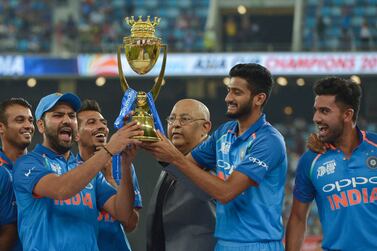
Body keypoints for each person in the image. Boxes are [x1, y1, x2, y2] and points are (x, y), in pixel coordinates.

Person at [143, 63, 288, 250]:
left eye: (237, 92)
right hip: (223, 243)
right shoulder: (224, 132)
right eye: (229, 90)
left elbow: (226, 193)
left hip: (257, 244)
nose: (228, 98)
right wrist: (150, 140)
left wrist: (173, 157)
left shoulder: (268, 140)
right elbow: (183, 168)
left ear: (259, 98)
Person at [13, 92, 143, 250]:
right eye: (58, 115)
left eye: (71, 115)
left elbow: (123, 213)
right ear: (41, 125)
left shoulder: (87, 171)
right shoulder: (27, 163)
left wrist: (126, 164)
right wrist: (109, 149)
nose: (66, 120)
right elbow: (61, 189)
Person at [286, 77, 377, 251]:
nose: (316, 118)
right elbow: (298, 217)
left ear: (347, 115)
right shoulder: (311, 160)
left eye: (324, 111)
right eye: (316, 110)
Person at [146, 99, 216, 251]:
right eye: (172, 119)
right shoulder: (174, 157)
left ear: (206, 127)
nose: (175, 124)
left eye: (185, 119)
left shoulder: (215, 157)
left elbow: (211, 194)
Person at [76, 99, 142, 251]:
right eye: (91, 122)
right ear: (76, 134)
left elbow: (131, 224)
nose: (102, 127)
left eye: (103, 123)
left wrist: (110, 179)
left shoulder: (124, 166)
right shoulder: (70, 170)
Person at [0, 98, 34, 251]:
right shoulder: (2, 172)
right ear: (1, 127)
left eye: (30, 120)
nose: (28, 125)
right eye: (20, 120)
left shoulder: (42, 167)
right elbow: (10, 230)